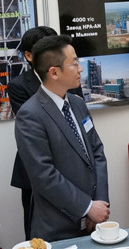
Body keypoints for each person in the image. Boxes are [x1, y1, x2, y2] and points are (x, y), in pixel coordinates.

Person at [14, 35, 110, 241]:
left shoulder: (77, 103)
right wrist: (87, 207)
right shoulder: (30, 114)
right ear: (54, 72)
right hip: (58, 226)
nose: (80, 69)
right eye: (74, 63)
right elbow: (43, 175)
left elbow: (97, 152)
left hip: (94, 221)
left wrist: (100, 202)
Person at [7, 26, 84, 239]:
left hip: (74, 169)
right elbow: (37, 125)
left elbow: (78, 120)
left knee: (79, 232)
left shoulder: (71, 78)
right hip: (36, 173)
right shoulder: (18, 86)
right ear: (29, 56)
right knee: (38, 237)